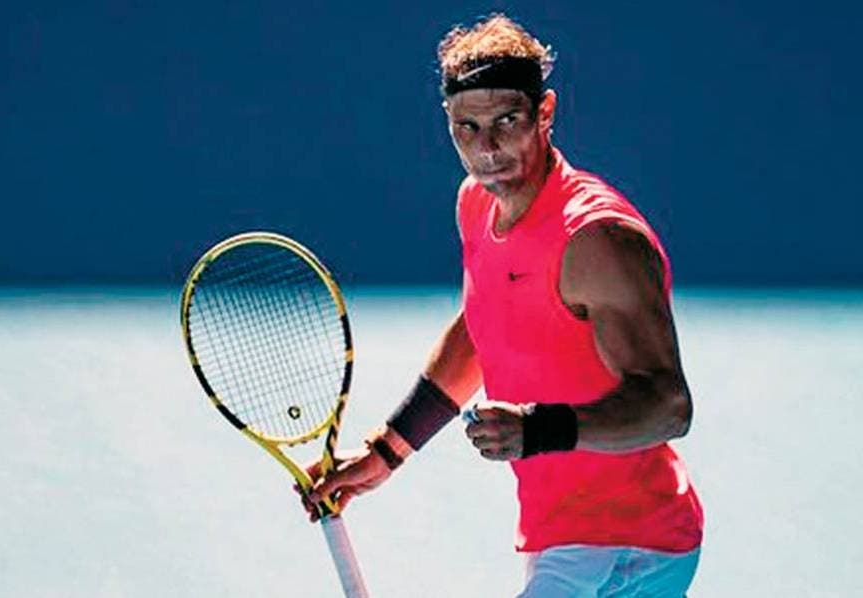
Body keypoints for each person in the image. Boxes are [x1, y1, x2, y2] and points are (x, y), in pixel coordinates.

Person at [299, 14, 704, 597]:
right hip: (566, 538)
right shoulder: (476, 204)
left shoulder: (597, 239)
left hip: (627, 545)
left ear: (545, 113)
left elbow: (668, 406)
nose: (487, 149)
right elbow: (485, 328)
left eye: (506, 122)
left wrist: (538, 429)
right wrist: (387, 451)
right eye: (467, 128)